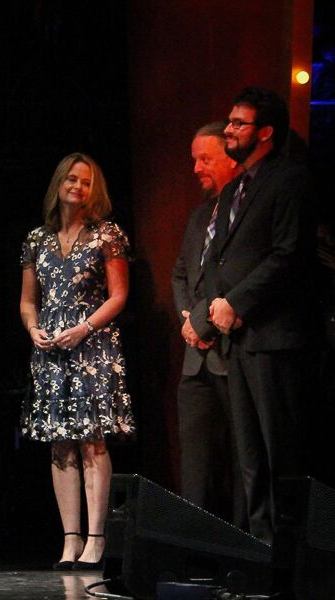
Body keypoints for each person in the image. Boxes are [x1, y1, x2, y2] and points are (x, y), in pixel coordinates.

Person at [187, 87, 313, 544]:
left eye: (238, 123)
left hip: (273, 337)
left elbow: (287, 254)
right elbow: (217, 259)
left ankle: (289, 554)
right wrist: (213, 310)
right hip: (237, 340)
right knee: (250, 456)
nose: (229, 130)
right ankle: (259, 549)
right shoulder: (236, 188)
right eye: (229, 121)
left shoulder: (290, 179)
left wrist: (237, 303)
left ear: (265, 132)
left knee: (281, 454)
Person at [18, 152, 135, 570]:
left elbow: (119, 296)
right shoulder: (37, 239)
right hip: (51, 349)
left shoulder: (107, 234)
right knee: (60, 441)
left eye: (86, 181)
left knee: (92, 440)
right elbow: (28, 301)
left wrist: (84, 328)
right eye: (71, 179)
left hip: (93, 346)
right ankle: (71, 538)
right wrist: (33, 329)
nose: (78, 187)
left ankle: (97, 539)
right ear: (59, 183)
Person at [172, 122, 246, 526]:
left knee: (241, 460)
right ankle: (194, 540)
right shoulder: (200, 215)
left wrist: (203, 324)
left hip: (232, 352)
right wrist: (188, 320)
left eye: (205, 159)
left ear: (231, 159)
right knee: (196, 461)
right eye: (193, 159)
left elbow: (234, 278)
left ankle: (242, 544)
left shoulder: (245, 215)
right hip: (195, 359)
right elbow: (181, 273)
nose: (196, 168)